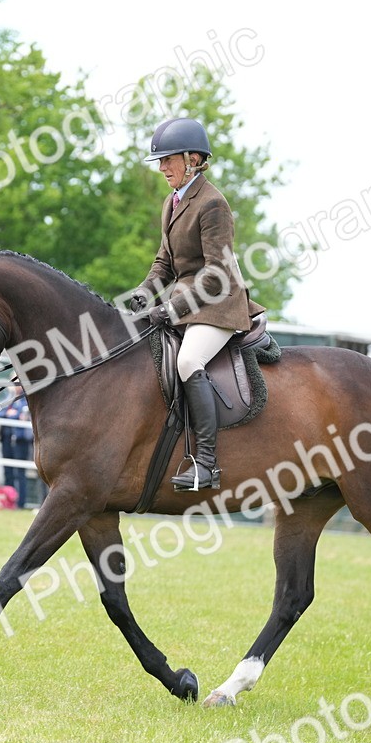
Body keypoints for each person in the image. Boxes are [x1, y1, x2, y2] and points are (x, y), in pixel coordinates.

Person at [128, 117, 267, 492]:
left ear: (192, 159)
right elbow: (165, 262)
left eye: (168, 160)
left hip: (219, 303)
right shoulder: (171, 202)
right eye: (159, 161)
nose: (161, 168)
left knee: (189, 361)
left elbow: (217, 273)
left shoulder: (212, 203)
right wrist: (144, 292)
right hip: (187, 301)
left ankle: (206, 463)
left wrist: (170, 310)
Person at [0, 385, 33, 509]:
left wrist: (10, 414)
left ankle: (20, 503)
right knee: (8, 471)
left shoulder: (25, 399)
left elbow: (23, 415)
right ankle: (8, 501)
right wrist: (9, 413)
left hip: (20, 441)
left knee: (20, 472)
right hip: (6, 439)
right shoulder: (8, 398)